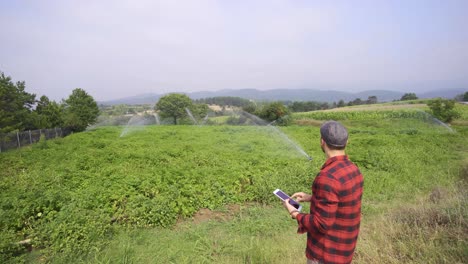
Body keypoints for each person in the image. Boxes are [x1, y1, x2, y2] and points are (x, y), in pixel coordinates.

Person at [282, 120, 364, 264]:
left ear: (322, 142)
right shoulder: (353, 169)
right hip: (344, 250)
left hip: (326, 254)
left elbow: (321, 224)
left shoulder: (327, 177)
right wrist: (312, 198)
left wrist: (294, 213)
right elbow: (340, 201)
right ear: (347, 141)